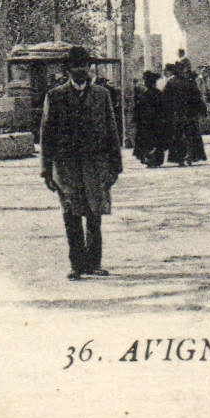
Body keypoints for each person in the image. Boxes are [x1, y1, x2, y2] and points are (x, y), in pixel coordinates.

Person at [40, 65, 123, 280]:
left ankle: (94, 263)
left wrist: (116, 165)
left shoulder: (101, 95)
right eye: (76, 66)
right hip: (66, 165)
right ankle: (76, 264)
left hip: (96, 163)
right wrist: (46, 170)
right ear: (69, 71)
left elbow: (111, 129)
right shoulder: (55, 96)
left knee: (95, 213)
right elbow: (46, 134)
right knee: (71, 214)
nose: (80, 70)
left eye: (84, 66)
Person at [162, 67, 208, 166]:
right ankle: (190, 156)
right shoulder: (190, 82)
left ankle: (179, 158)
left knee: (178, 136)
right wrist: (202, 111)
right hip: (190, 114)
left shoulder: (171, 82)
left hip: (177, 114)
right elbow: (197, 99)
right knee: (191, 135)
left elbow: (165, 99)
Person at [133, 71, 168, 167]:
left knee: (147, 141)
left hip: (146, 122)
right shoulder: (158, 93)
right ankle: (156, 159)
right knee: (157, 141)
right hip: (158, 121)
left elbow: (139, 109)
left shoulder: (144, 94)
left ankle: (149, 159)